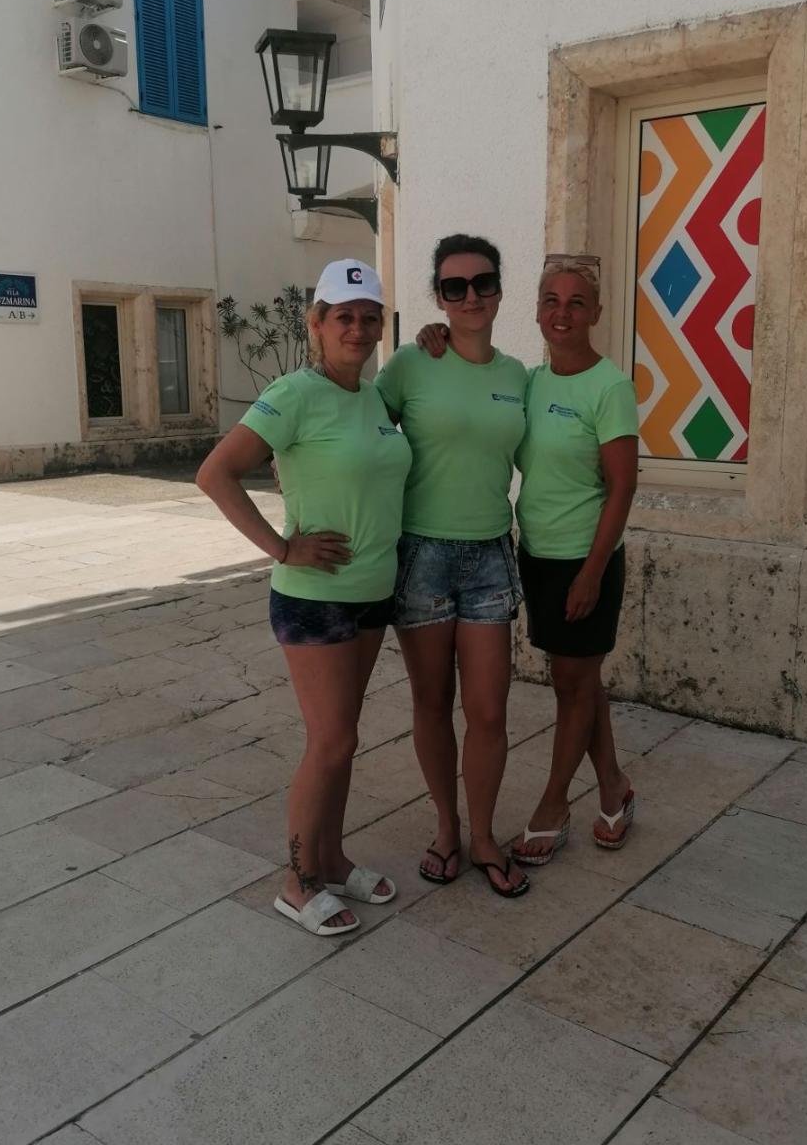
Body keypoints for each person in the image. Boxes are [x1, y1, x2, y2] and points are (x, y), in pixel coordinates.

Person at [196, 259, 411, 936]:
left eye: (369, 317)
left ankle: (333, 859)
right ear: (315, 323)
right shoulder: (292, 393)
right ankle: (297, 882)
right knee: (331, 740)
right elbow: (215, 473)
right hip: (315, 598)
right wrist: (282, 547)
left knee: (344, 740)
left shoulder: (374, 398)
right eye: (343, 316)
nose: (358, 329)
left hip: (372, 593)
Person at [416, 255, 638, 863]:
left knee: (574, 684)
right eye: (550, 301)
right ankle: (614, 785)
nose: (562, 314)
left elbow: (623, 486)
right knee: (579, 680)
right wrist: (435, 337)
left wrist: (592, 572)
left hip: (585, 559)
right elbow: (474, 384)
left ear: (596, 313)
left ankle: (553, 805)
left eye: (576, 303)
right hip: (535, 555)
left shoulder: (609, 386)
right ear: (536, 310)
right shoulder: (530, 381)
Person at [375, 234, 529, 897]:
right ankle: (447, 827)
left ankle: (485, 835)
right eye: (454, 287)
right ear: (437, 297)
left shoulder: (518, 377)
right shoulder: (410, 365)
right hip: (423, 556)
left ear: (499, 290)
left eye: (482, 283)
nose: (470, 297)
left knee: (489, 711)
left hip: (491, 554)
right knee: (433, 703)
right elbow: (359, 431)